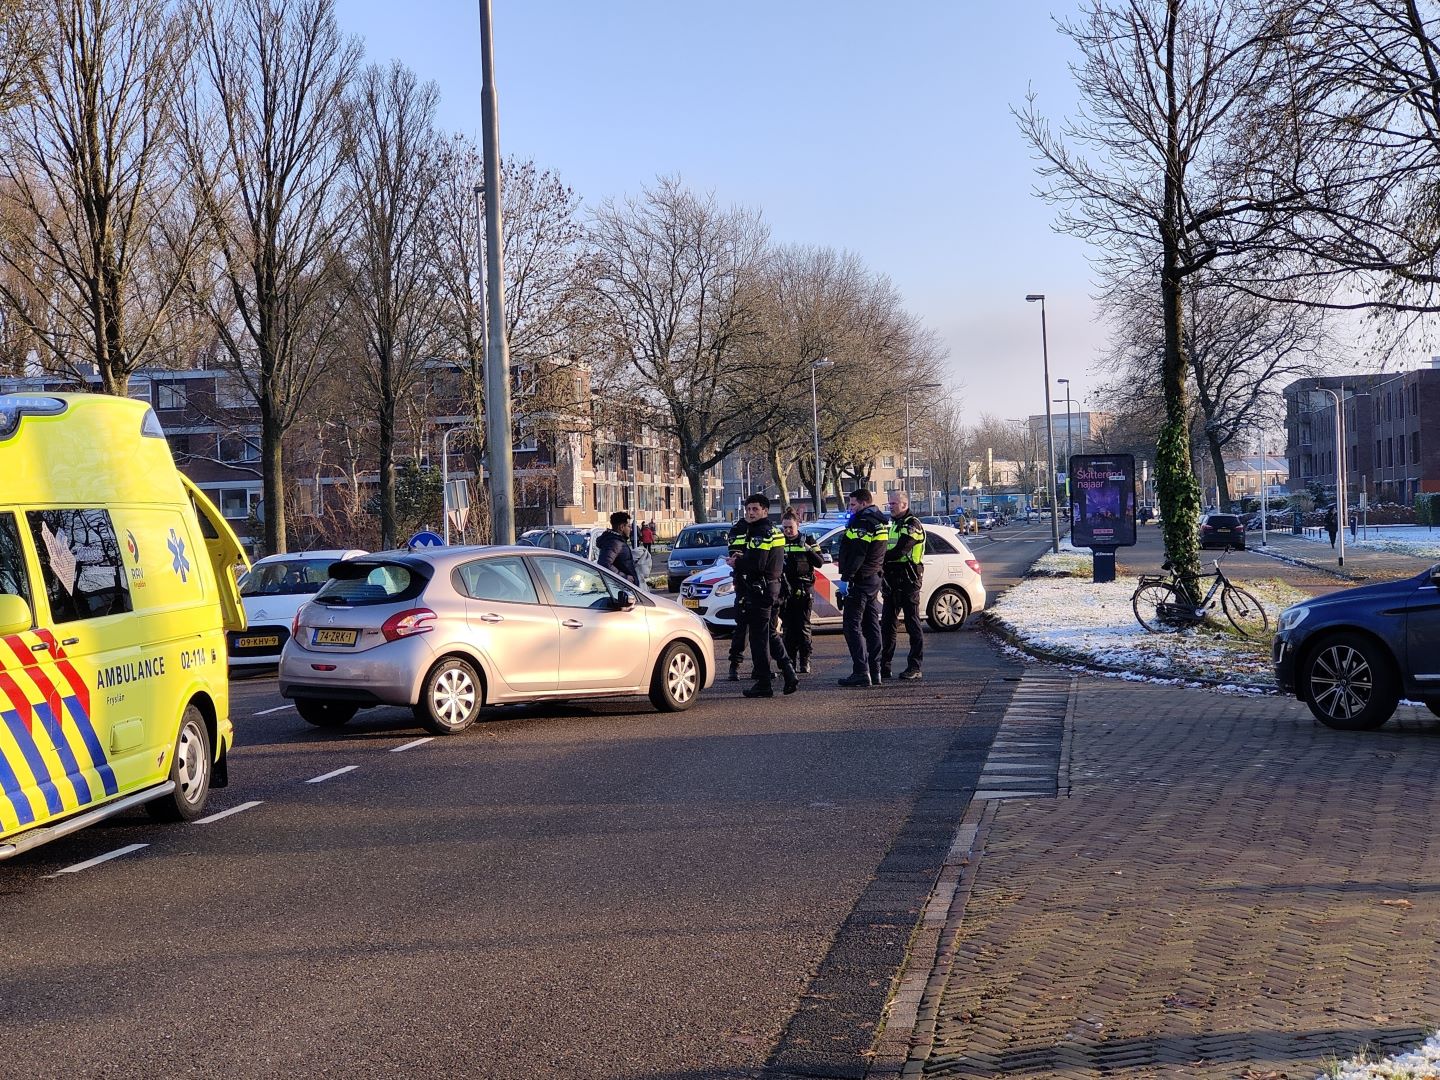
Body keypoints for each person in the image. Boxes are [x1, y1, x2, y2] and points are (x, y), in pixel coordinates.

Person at [730, 493, 798, 698]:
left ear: (765, 511)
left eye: (755, 509)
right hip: (772, 588)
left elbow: (757, 564)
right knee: (769, 632)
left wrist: (737, 562)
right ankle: (788, 671)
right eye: (748, 509)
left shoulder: (760, 532)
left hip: (760, 590)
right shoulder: (774, 530)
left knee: (759, 639)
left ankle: (763, 682)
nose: (750, 513)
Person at [837, 488, 888, 687]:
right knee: (871, 625)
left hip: (860, 580)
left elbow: (858, 553)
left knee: (851, 626)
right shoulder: (879, 521)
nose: (851, 509)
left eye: (853, 505)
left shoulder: (863, 522)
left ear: (864, 503)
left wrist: (847, 578)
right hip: (873, 578)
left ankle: (861, 671)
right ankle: (875, 672)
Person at [881, 490, 926, 681]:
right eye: (889, 504)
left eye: (893, 504)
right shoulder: (892, 525)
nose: (890, 506)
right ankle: (884, 666)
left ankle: (914, 666)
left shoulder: (913, 524)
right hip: (892, 579)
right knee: (888, 625)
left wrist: (878, 558)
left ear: (904, 505)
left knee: (912, 623)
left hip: (908, 579)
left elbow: (901, 550)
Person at [779, 508, 823, 675]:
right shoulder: (780, 541)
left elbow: (819, 562)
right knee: (788, 628)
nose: (788, 531)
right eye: (785, 527)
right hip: (785, 590)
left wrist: (807, 549)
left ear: (798, 525)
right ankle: (790, 663)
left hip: (804, 589)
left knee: (803, 627)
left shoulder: (809, 540)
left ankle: (805, 662)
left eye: (791, 527)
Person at [596, 511, 640, 585]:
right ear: (621, 527)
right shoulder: (615, 543)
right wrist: (624, 577)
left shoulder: (616, 541)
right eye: (629, 526)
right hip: (622, 588)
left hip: (624, 586)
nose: (631, 529)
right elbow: (604, 564)